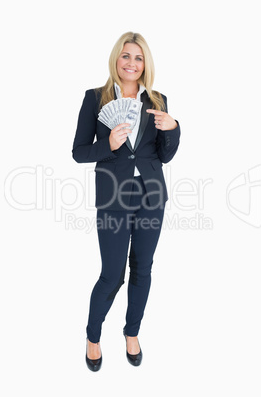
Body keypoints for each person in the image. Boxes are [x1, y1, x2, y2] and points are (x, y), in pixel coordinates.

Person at [72, 32, 181, 371]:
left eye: (138, 57)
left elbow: (165, 155)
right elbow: (78, 153)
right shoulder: (95, 98)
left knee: (143, 269)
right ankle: (93, 336)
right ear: (115, 59)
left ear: (145, 63)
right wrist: (110, 145)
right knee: (111, 275)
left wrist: (173, 127)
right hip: (113, 198)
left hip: (152, 196)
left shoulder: (158, 99)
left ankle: (131, 333)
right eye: (125, 56)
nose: (131, 63)